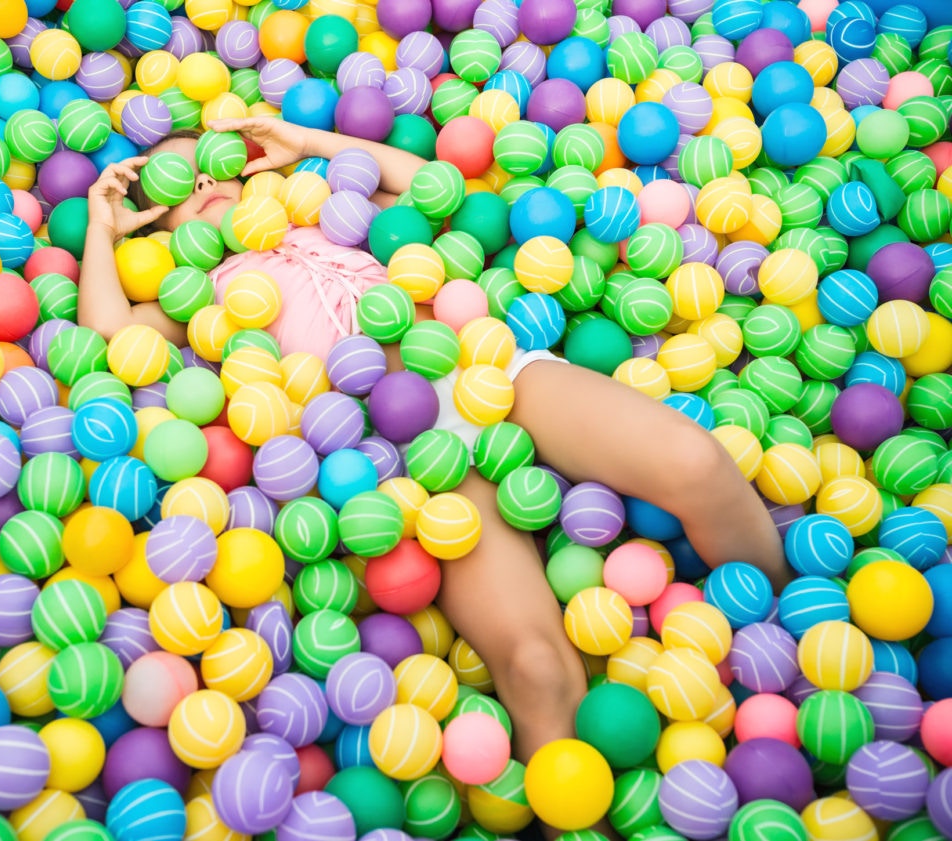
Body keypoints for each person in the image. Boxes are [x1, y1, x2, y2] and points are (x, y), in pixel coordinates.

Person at [81, 115, 791, 805]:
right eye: (177, 184)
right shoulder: (196, 290)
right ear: (158, 228)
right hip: (415, 462)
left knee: (697, 463)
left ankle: (793, 649)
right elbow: (108, 334)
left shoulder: (327, 206)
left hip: (485, 375)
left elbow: (430, 185)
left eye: (213, 162)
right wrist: (100, 227)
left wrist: (310, 144)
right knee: (536, 667)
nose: (203, 179)